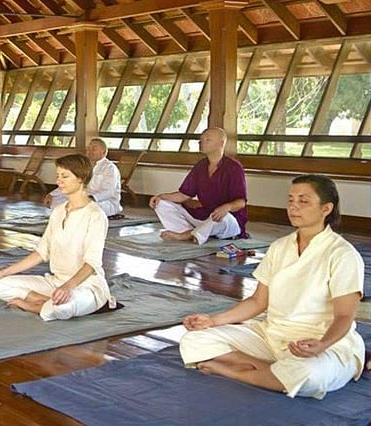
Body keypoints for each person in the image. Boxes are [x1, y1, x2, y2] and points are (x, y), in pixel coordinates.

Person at [179, 174, 365, 399]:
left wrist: (322, 345)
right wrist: (212, 321)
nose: (294, 207)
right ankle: (271, 373)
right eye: (291, 200)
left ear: (326, 208)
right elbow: (258, 301)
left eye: (303, 201)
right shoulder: (279, 247)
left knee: (308, 375)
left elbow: (345, 316)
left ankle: (232, 371)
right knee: (193, 340)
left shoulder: (342, 254)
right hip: (272, 335)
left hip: (320, 342)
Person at [0, 153, 113, 321]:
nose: (59, 181)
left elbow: (91, 264)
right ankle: (43, 301)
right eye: (58, 175)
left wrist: (68, 287)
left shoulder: (95, 215)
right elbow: (41, 252)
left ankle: (34, 305)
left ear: (81, 178)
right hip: (55, 282)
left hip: (86, 286)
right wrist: (3, 272)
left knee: (64, 307)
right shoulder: (58, 211)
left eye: (65, 176)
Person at [149, 127, 247, 245]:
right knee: (161, 203)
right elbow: (184, 195)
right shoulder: (200, 166)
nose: (201, 142)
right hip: (205, 216)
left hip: (227, 220)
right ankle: (195, 232)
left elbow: (241, 202)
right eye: (201, 140)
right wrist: (160, 196)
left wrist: (227, 207)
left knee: (224, 219)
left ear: (221, 143)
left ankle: (187, 235)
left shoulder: (233, 167)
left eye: (207, 139)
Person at [43, 138, 122, 217]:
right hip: (83, 197)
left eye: (94, 149)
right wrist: (52, 194)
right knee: (55, 202)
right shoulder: (84, 166)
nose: (90, 151)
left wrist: (91, 198)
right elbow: (71, 183)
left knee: (87, 208)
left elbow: (108, 191)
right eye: (88, 148)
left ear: (104, 152)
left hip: (104, 201)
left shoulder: (110, 168)